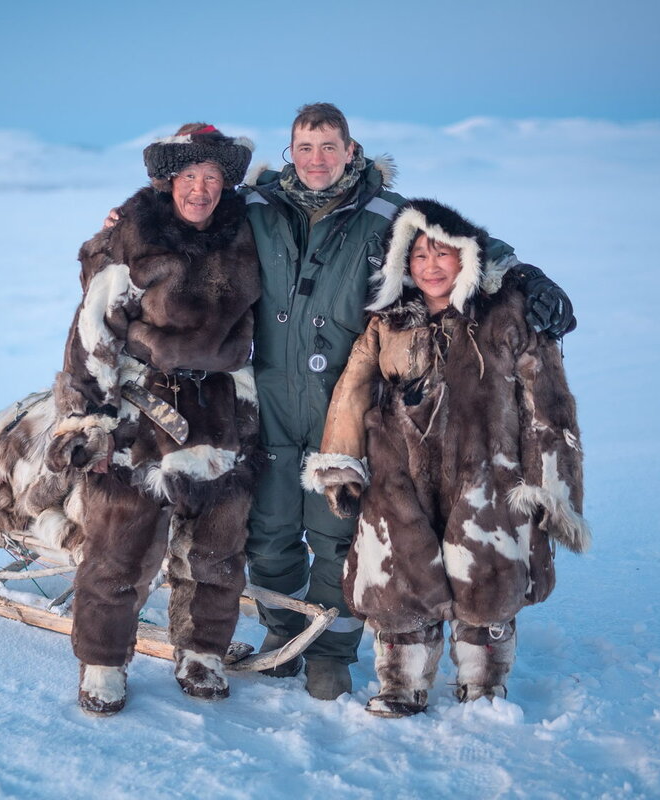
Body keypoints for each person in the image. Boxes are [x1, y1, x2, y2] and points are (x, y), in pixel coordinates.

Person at [240, 103, 576, 700]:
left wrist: (529, 278)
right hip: (268, 396)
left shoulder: (386, 213)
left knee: (334, 533)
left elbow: (465, 242)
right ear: (290, 152)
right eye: (305, 147)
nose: (317, 159)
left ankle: (332, 651)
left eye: (329, 147)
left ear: (352, 150)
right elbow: (192, 216)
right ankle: (280, 633)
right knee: (267, 531)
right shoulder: (258, 207)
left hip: (345, 398)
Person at [301, 198, 589, 716]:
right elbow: (353, 389)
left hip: (487, 471)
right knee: (399, 581)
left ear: (467, 259)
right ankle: (401, 684)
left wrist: (553, 482)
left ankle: (483, 685)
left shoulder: (506, 315)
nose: (430, 267)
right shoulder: (387, 321)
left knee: (486, 578)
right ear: (401, 265)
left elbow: (546, 400)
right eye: (417, 257)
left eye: (442, 254)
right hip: (400, 472)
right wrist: (342, 465)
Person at [46, 124, 262, 715]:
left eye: (213, 178)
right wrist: (87, 421)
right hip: (142, 411)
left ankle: (202, 652)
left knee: (218, 549)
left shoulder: (246, 235)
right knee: (120, 548)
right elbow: (92, 332)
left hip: (218, 412)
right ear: (168, 181)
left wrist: (248, 418)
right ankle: (102, 662)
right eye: (190, 177)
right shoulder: (132, 237)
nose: (201, 190)